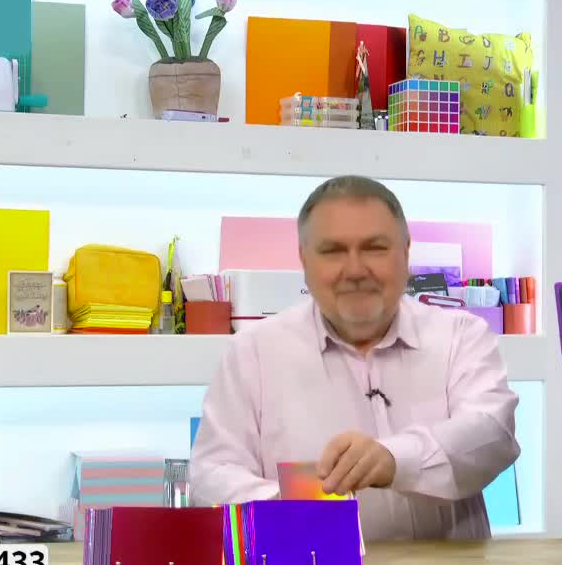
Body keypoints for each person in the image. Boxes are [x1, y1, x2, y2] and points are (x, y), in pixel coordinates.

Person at [189, 175, 520, 541]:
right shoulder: (252, 352)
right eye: (333, 251)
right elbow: (211, 476)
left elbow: (492, 433)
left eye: (375, 248)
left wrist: (396, 459)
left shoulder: (462, 335)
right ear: (303, 258)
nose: (356, 270)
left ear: (406, 251)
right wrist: (293, 510)